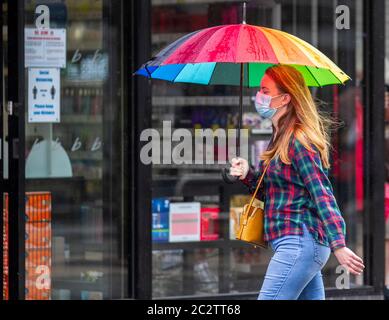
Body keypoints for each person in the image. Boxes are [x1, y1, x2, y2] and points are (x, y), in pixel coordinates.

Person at [229, 64, 364, 300]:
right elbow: (275, 193)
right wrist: (248, 175)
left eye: (265, 90)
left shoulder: (299, 140)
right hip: (295, 242)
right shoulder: (280, 138)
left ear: (284, 99)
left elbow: (322, 193)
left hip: (299, 242)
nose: (258, 96)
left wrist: (339, 245)